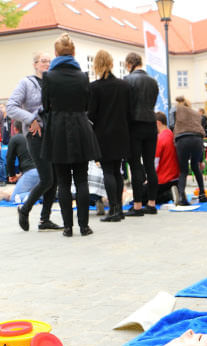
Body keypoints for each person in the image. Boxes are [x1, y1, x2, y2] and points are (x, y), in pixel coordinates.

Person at [41, 33, 101, 237]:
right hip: (80, 127)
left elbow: (46, 106)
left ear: (56, 53)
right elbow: (86, 105)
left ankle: (68, 227)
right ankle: (84, 226)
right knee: (82, 180)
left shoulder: (48, 77)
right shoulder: (83, 76)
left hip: (57, 129)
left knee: (63, 182)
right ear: (73, 53)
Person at [7, 52, 63, 232]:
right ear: (35, 64)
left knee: (54, 180)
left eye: (49, 61)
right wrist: (31, 119)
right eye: (43, 61)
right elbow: (11, 107)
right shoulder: (26, 83)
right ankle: (25, 209)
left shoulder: (54, 81)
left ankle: (44, 219)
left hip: (53, 133)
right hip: (35, 134)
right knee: (46, 178)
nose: (47, 64)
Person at [88, 49, 131, 223]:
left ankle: (112, 209)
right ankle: (119, 209)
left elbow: (91, 114)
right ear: (112, 64)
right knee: (117, 171)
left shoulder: (95, 88)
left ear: (96, 66)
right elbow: (129, 111)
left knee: (108, 171)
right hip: (121, 133)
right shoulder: (124, 86)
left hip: (103, 135)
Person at [124, 52, 159, 217]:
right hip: (151, 124)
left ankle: (137, 205)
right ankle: (152, 203)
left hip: (134, 125)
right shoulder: (153, 82)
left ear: (130, 64)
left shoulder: (127, 80)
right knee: (150, 164)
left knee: (135, 165)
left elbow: (126, 106)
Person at [173, 96, 207, 206]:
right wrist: (201, 160)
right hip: (197, 139)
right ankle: (202, 195)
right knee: (195, 167)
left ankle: (182, 198)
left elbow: (172, 126)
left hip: (182, 140)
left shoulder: (176, 109)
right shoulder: (196, 114)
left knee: (183, 170)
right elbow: (200, 134)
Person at [154, 111, 180, 204]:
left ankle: (169, 195)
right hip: (175, 177)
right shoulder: (171, 134)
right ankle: (173, 193)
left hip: (163, 179)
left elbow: (155, 163)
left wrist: (149, 178)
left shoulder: (159, 139)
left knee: (144, 198)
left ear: (157, 123)